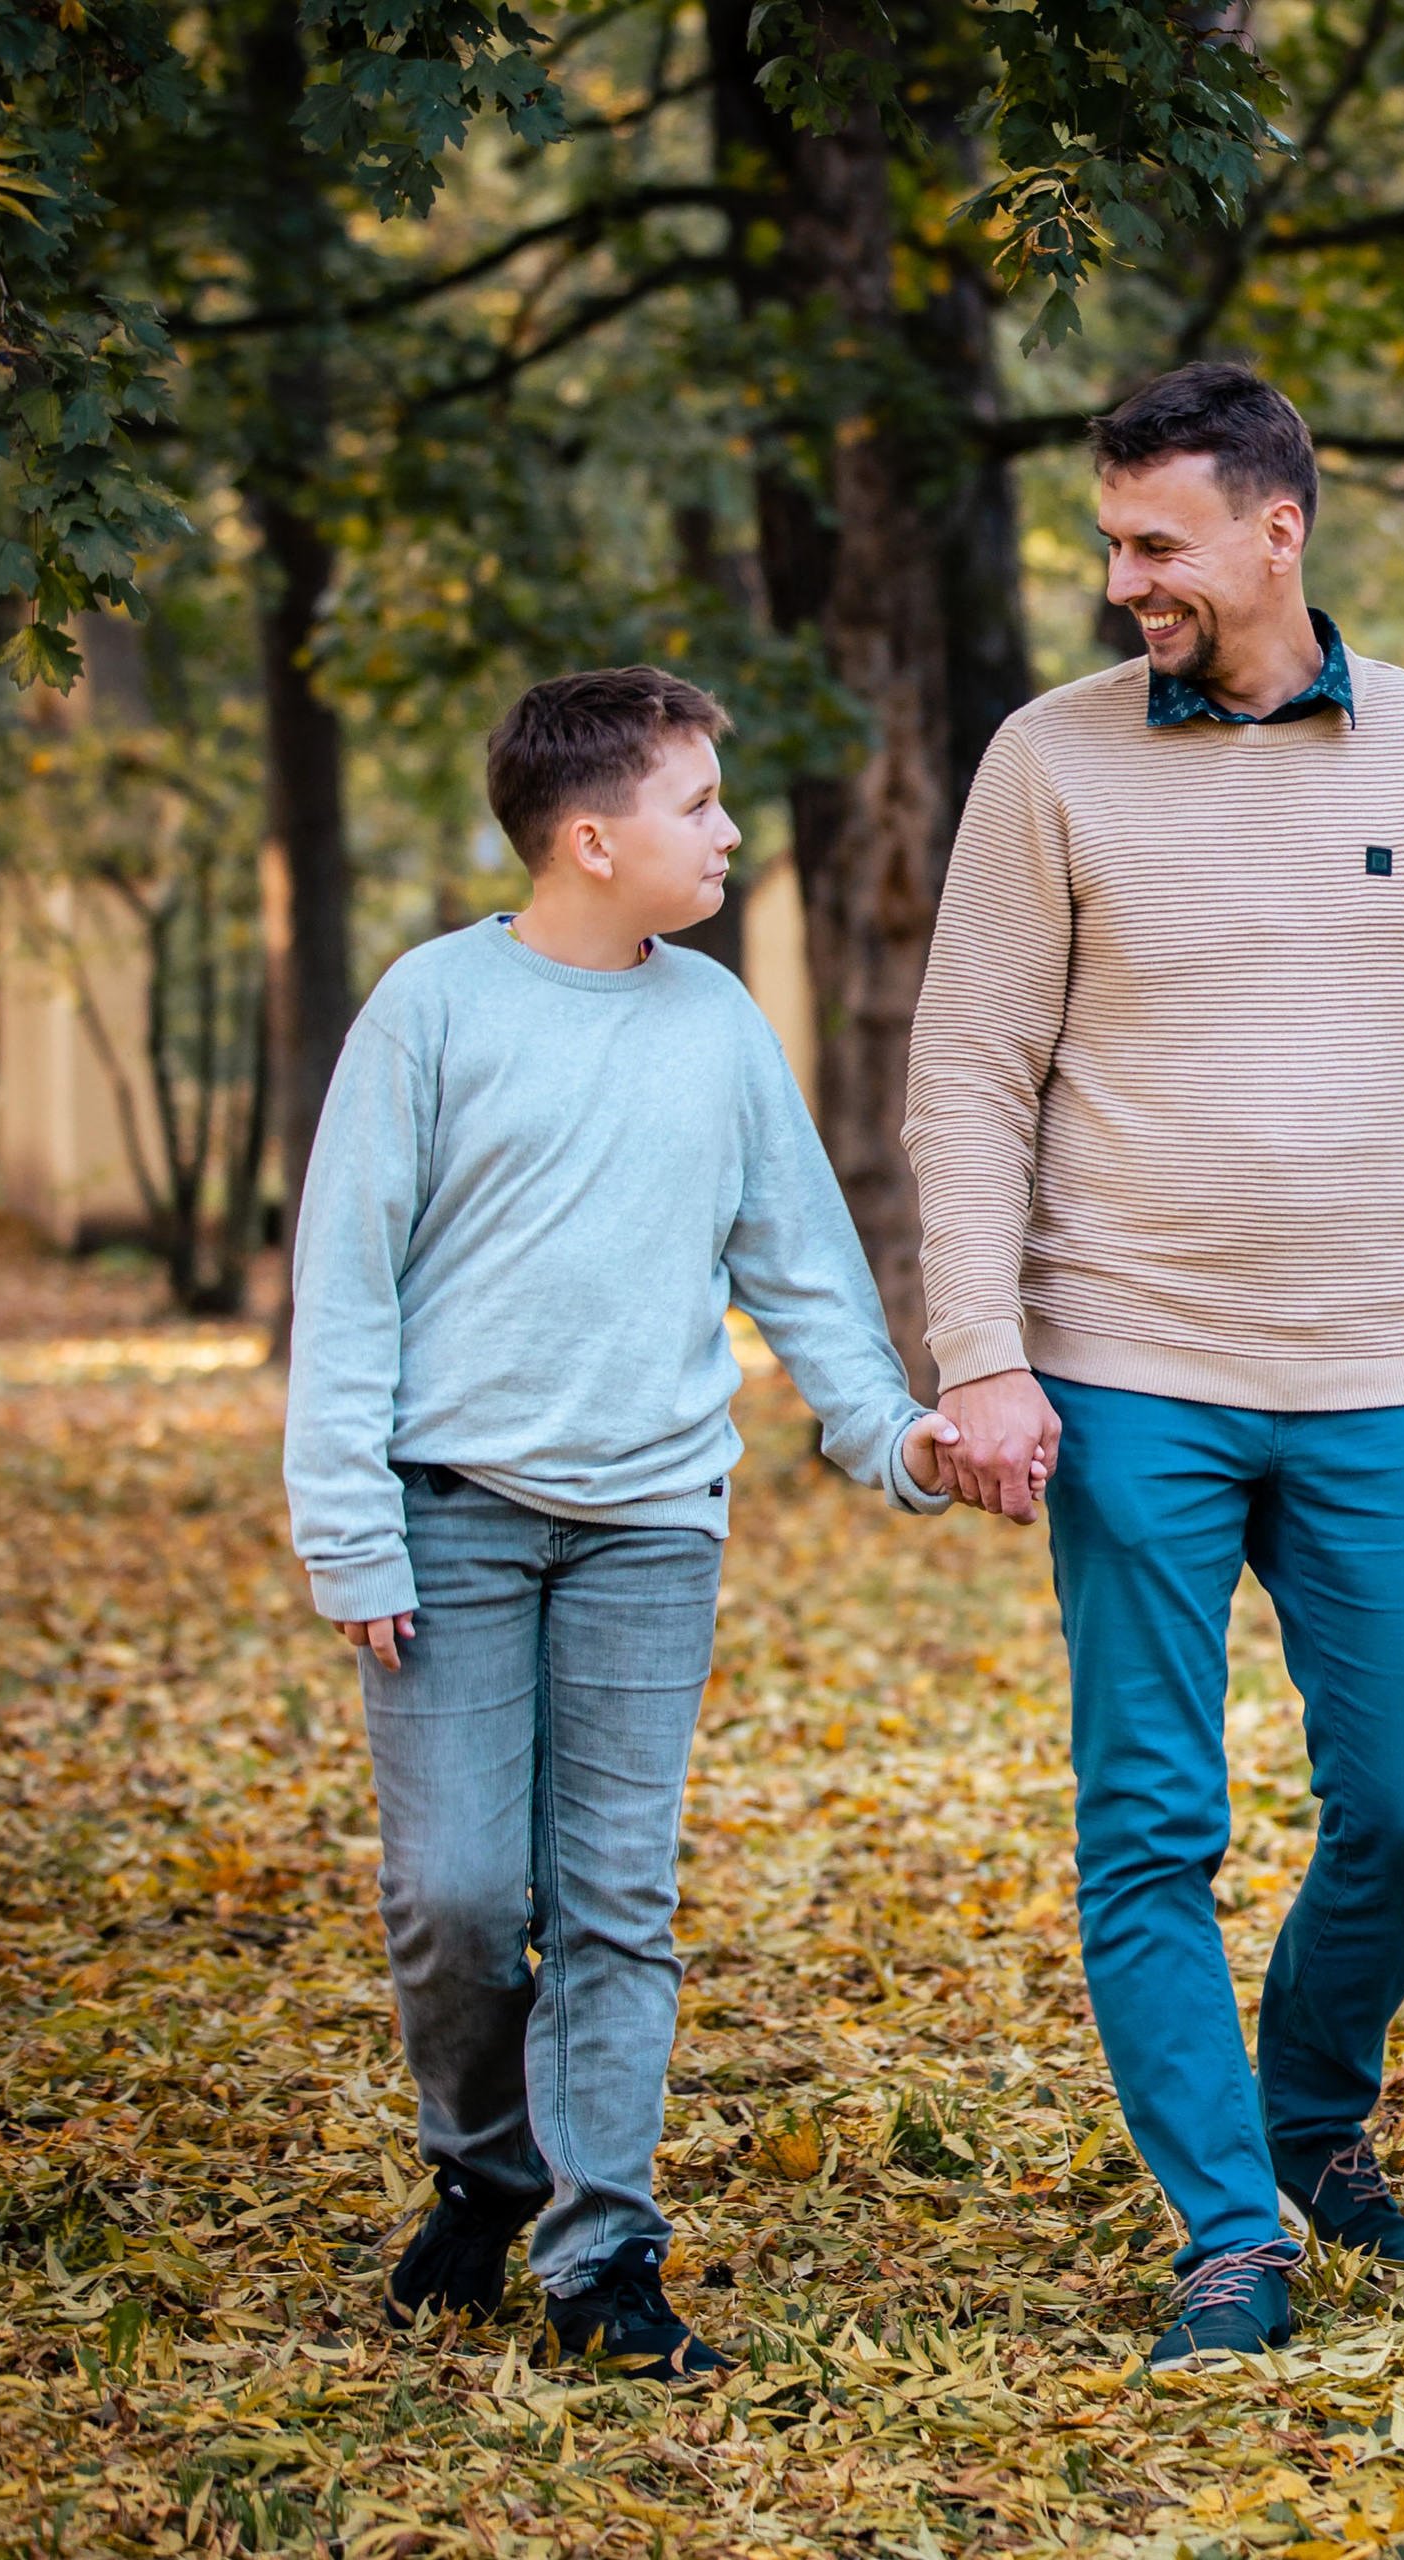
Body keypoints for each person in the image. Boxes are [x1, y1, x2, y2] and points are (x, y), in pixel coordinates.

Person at [903, 361, 1404, 2367]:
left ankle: (1309, 2116)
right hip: (1124, 1373)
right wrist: (982, 1353)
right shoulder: (1049, 760)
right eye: (1109, 544)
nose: (1124, 581)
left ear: (1277, 530)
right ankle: (1228, 2231)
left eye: (1156, 543)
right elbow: (968, 1072)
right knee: (1152, 1818)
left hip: (1369, 1378)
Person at [285, 667, 979, 2380]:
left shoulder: (718, 1024)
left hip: (651, 1529)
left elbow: (804, 1271)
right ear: (592, 840)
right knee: (457, 1898)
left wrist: (897, 1439)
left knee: (614, 1899)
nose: (730, 831)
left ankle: (604, 2253)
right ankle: (484, 2167)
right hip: (448, 1523)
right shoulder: (431, 1010)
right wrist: (349, 1529)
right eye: (699, 804)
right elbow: (347, 1286)